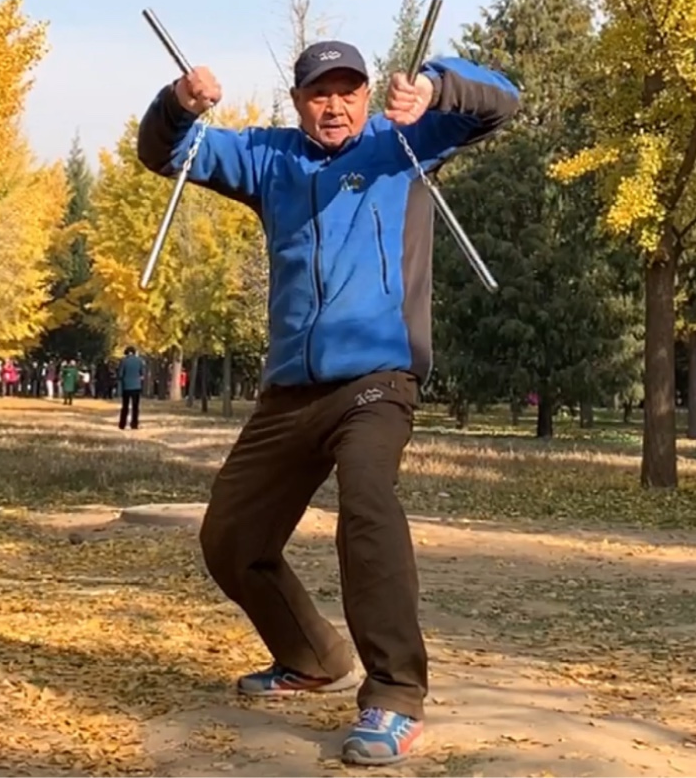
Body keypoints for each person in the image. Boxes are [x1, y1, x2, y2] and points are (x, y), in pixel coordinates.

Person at [137, 38, 517, 766]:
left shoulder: (405, 143)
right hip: (288, 390)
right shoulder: (268, 160)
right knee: (230, 541)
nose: (334, 104)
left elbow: (503, 99)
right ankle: (311, 654)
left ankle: (394, 694)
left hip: (377, 379)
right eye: (319, 92)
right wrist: (176, 104)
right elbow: (166, 153)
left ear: (369, 95)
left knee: (368, 499)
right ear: (297, 101)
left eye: (348, 90)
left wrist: (437, 88)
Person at [117, 347, 145, 429]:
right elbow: (142, 374)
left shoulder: (123, 361)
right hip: (136, 386)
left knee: (125, 406)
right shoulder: (139, 361)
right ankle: (134, 424)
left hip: (126, 386)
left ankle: (122, 424)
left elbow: (120, 374)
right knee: (135, 406)